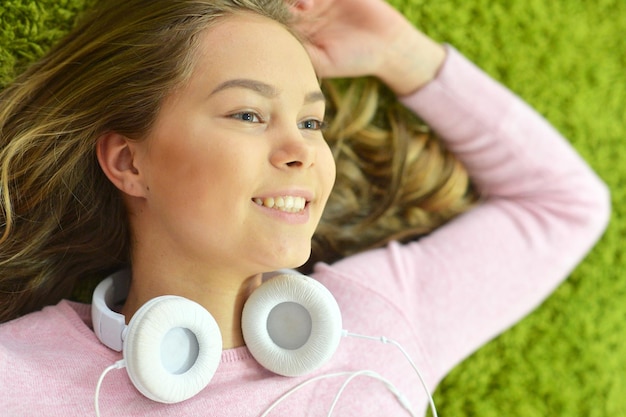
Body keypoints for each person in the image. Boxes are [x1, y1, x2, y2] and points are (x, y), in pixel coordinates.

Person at [0, 0, 610, 415]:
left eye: (312, 120)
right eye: (248, 114)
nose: (303, 150)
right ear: (130, 163)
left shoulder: (382, 318)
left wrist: (399, 53)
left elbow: (563, 205)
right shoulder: (18, 376)